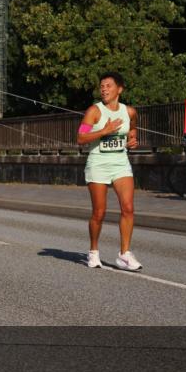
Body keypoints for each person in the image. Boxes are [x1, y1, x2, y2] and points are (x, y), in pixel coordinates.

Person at [77, 72, 141, 271]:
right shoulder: (94, 111)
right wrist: (103, 131)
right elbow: (81, 138)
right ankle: (93, 251)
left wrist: (133, 140)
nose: (104, 89)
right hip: (98, 164)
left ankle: (124, 254)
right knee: (99, 212)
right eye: (102, 86)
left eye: (108, 86)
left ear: (119, 89)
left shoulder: (129, 112)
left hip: (121, 163)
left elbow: (132, 130)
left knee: (128, 208)